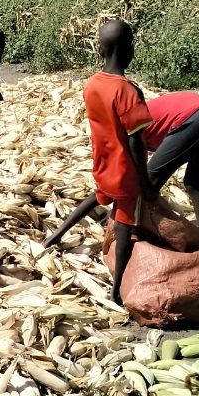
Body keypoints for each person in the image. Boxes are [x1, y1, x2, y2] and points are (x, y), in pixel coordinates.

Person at [42, 92, 199, 247]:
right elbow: (109, 190)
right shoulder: (134, 121)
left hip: (192, 119)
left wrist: (60, 232)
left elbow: (111, 189)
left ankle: (144, 238)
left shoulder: (124, 135)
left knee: (148, 187)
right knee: (193, 180)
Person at [77, 20, 154, 305]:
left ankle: (56, 236)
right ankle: (117, 286)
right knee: (124, 225)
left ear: (100, 49)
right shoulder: (127, 91)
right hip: (124, 172)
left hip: (102, 164)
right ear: (128, 49)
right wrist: (145, 182)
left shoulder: (93, 84)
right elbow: (136, 141)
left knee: (98, 198)